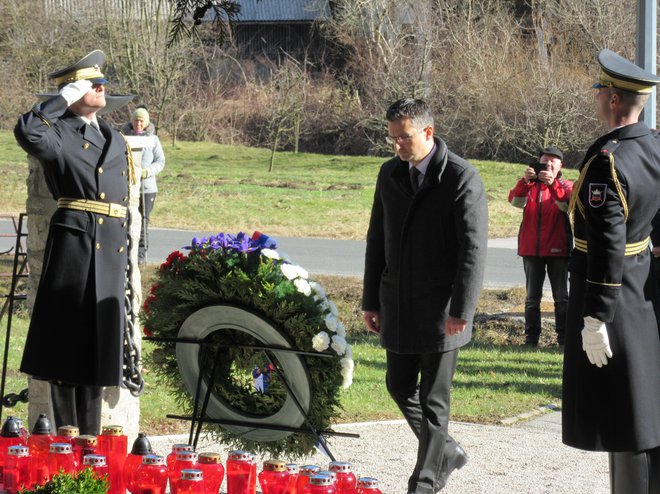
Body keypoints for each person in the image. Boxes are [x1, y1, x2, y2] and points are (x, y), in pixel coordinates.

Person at [362, 98, 488, 493]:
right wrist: (370, 300)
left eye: (405, 137)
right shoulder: (389, 174)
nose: (398, 145)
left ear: (428, 133)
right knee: (399, 386)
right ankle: (446, 451)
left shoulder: (461, 177)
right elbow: (376, 239)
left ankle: (426, 482)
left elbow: (473, 248)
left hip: (441, 310)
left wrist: (461, 308)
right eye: (393, 138)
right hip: (397, 303)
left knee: (434, 402)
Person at [14, 50, 134, 435]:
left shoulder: (115, 138)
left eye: (101, 84)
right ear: (73, 90)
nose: (101, 88)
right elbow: (27, 131)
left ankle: (93, 447)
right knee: (65, 354)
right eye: (90, 84)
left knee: (97, 358)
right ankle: (67, 445)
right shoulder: (60, 133)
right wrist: (62, 98)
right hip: (76, 249)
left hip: (111, 251)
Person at [562, 49, 660, 493]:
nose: (597, 97)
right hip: (643, 294)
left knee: (627, 422)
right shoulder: (653, 147)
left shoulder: (609, 161)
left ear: (615, 101)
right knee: (645, 411)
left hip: (615, 305)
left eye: (600, 90)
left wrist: (594, 318)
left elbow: (606, 246)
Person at [508, 147, 573, 346]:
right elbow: (515, 202)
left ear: (560, 166)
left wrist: (553, 185)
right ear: (538, 163)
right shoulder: (530, 186)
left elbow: (566, 205)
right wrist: (525, 182)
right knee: (531, 298)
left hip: (558, 249)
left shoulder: (567, 185)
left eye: (554, 161)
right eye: (545, 161)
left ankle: (563, 339)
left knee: (561, 297)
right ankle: (531, 339)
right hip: (531, 250)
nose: (549, 164)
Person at [121, 107, 165, 265]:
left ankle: (140, 255)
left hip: (147, 188)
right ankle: (125, 252)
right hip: (127, 186)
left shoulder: (153, 140)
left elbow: (160, 162)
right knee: (126, 219)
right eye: (136, 120)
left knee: (142, 221)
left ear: (146, 123)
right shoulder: (123, 137)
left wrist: (146, 172)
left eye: (141, 121)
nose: (138, 124)